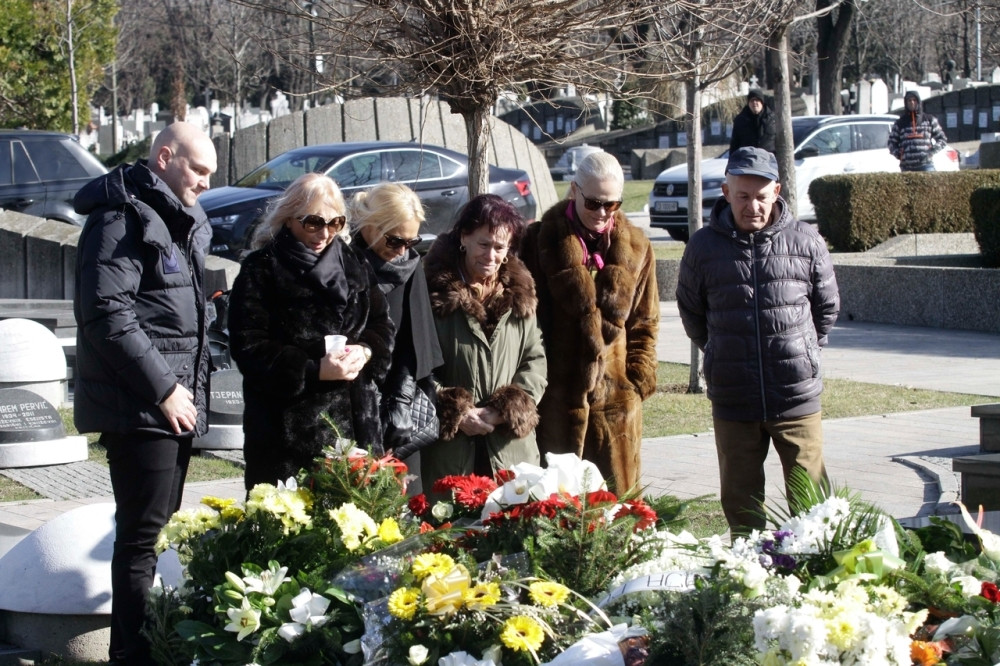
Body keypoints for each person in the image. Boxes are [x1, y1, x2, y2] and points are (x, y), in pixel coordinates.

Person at [72, 121, 217, 665]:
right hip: (143, 405)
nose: (205, 183)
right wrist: (165, 391)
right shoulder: (121, 216)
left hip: (169, 400)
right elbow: (107, 314)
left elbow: (168, 304)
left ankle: (138, 649)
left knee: (150, 537)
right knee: (140, 540)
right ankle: (133, 655)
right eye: (198, 170)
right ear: (164, 158)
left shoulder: (173, 215)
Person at [676, 146, 840, 537]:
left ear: (777, 191)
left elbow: (827, 307)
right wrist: (716, 351)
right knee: (741, 503)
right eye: (744, 196)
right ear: (726, 191)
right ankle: (748, 574)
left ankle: (817, 570)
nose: (753, 206)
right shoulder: (702, 247)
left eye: (762, 197)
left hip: (795, 394)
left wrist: (803, 351)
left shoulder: (806, 241)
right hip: (734, 398)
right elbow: (691, 313)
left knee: (812, 504)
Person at [228, 173, 394, 489]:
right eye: (313, 222)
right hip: (288, 435)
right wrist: (313, 370)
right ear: (289, 219)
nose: (324, 233)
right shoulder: (261, 268)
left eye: (335, 223)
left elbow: (382, 325)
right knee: (291, 531)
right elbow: (248, 346)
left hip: (357, 428)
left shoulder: (353, 261)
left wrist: (366, 351)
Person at [520, 152, 659, 493]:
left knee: (617, 516)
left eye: (611, 205)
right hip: (554, 405)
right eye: (594, 202)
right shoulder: (538, 242)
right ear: (574, 191)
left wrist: (635, 386)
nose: (601, 213)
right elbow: (524, 323)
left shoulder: (638, 249)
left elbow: (645, 325)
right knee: (554, 515)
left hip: (615, 412)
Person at [422, 194, 547, 494]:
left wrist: (505, 411)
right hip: (449, 454)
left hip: (510, 451)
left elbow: (535, 360)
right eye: (484, 244)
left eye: (500, 247)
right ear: (464, 237)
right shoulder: (430, 292)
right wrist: (456, 412)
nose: (491, 256)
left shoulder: (520, 293)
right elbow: (416, 366)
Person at [350, 182, 443, 493]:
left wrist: (401, 403)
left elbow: (418, 343)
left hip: (399, 407)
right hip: (350, 405)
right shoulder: (344, 264)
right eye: (395, 240)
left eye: (411, 240)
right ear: (370, 225)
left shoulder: (410, 265)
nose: (403, 250)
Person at [888, 90, 948, 172]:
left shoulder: (929, 120)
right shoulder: (900, 123)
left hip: (926, 165)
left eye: (914, 100)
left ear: (918, 102)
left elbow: (942, 139)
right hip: (907, 167)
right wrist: (900, 155)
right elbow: (891, 143)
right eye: (909, 100)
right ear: (906, 103)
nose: (912, 102)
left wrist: (931, 151)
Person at [730, 88, 776, 154]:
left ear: (762, 102)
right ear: (748, 103)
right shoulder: (741, 120)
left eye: (757, 100)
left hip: (768, 160)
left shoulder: (772, 119)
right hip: (747, 160)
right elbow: (734, 144)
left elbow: (779, 142)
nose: (754, 103)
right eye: (752, 100)